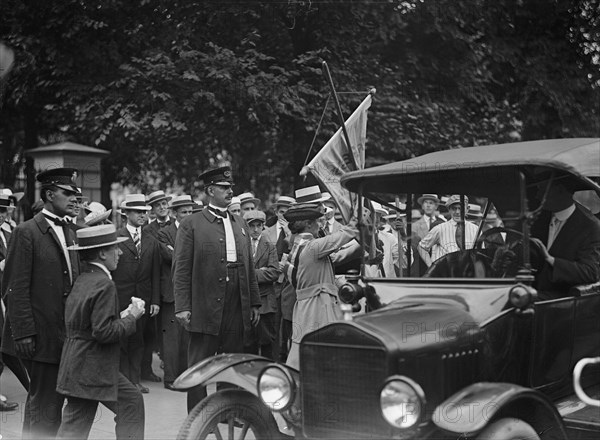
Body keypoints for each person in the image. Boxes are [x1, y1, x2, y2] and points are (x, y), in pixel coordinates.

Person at [172, 166, 260, 412]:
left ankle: (227, 413)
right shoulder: (192, 223)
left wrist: (253, 302)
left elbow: (249, 266)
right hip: (205, 301)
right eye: (224, 187)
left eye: (231, 187)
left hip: (237, 301)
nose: (230, 191)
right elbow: (181, 268)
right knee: (200, 364)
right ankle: (199, 418)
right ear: (210, 190)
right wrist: (183, 307)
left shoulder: (240, 222)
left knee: (231, 363)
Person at [1, 168, 81, 438]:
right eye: (67, 193)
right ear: (49, 194)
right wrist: (23, 332)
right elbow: (15, 286)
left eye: (75, 194)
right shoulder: (27, 231)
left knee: (45, 405)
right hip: (39, 336)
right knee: (45, 405)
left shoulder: (70, 230)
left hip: (64, 334)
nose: (74, 199)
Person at [56, 224, 145, 439]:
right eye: (116, 248)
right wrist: (133, 316)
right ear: (103, 252)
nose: (121, 252)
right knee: (131, 402)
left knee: (74, 427)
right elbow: (103, 333)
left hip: (78, 365)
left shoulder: (84, 279)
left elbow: (89, 323)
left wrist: (120, 317)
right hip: (93, 368)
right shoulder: (105, 284)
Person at [283, 203, 359, 369]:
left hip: (306, 306)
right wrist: (358, 218)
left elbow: (332, 263)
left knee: (304, 350)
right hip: (317, 307)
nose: (321, 224)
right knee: (322, 351)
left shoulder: (298, 246)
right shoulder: (313, 247)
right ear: (308, 224)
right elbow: (345, 234)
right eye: (318, 221)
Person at [112, 194, 161, 394]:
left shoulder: (151, 240)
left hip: (143, 298)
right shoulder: (116, 237)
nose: (142, 215)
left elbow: (156, 273)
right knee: (121, 340)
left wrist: (155, 300)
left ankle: (134, 380)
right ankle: (121, 381)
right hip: (120, 296)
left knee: (138, 340)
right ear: (126, 214)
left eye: (144, 212)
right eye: (138, 212)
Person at [530, 181, 600, 298]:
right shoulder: (538, 218)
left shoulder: (590, 226)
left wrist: (551, 260)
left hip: (563, 300)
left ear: (560, 190)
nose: (537, 195)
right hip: (528, 293)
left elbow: (590, 272)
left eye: (542, 190)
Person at [156, 195, 195, 390]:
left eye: (190, 211)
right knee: (171, 339)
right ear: (174, 213)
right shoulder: (165, 233)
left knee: (187, 338)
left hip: (191, 293)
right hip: (171, 294)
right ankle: (170, 378)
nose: (188, 215)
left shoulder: (196, 231)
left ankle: (184, 377)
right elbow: (170, 257)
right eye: (184, 212)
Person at [141, 190, 172, 383]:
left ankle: (170, 366)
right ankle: (145, 369)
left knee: (169, 329)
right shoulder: (147, 229)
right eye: (157, 205)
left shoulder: (177, 226)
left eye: (164, 203)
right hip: (152, 283)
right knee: (150, 330)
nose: (162, 207)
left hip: (169, 283)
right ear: (152, 209)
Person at [244, 210, 279, 359]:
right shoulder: (241, 245)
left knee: (267, 342)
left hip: (265, 302)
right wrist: (260, 272)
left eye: (259, 225)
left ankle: (267, 376)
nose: (256, 229)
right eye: (252, 226)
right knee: (247, 343)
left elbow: (273, 273)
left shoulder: (269, 246)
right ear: (246, 227)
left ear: (263, 226)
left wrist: (250, 274)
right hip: (246, 301)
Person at [418, 195, 478, 267]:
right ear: (449, 210)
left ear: (467, 209)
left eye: (460, 208)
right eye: (454, 208)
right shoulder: (440, 229)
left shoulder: (476, 230)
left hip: (466, 275)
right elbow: (421, 247)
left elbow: (480, 255)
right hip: (445, 275)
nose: (457, 212)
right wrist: (432, 267)